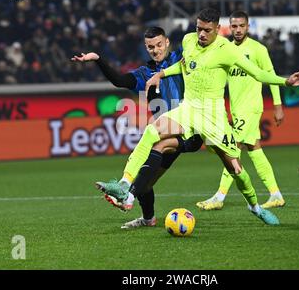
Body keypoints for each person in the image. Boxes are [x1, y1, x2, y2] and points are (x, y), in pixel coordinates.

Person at [96, 8, 299, 226]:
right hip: (188, 110)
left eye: (207, 30)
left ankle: (255, 206)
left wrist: (285, 82)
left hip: (213, 118)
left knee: (235, 169)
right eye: (199, 28)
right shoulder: (188, 41)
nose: (201, 34)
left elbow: (256, 73)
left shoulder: (227, 50)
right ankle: (125, 186)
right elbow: (183, 64)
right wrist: (161, 74)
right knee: (152, 130)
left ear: (218, 29)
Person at [71, 27, 202, 229]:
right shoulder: (144, 73)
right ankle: (147, 218)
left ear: (167, 42)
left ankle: (126, 193)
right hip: (165, 132)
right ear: (146, 48)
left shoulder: (181, 58)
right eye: (151, 47)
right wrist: (98, 59)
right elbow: (119, 80)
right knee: (145, 181)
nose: (156, 50)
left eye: (159, 45)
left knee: (230, 157)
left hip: (192, 128)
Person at [196, 10, 285, 211]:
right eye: (234, 26)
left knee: (231, 149)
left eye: (241, 26)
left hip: (251, 108)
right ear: (229, 27)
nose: (237, 30)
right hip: (235, 109)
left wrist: (278, 106)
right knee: (254, 149)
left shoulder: (258, 49)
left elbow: (270, 76)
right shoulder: (227, 49)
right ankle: (276, 194)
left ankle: (219, 197)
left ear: (248, 27)